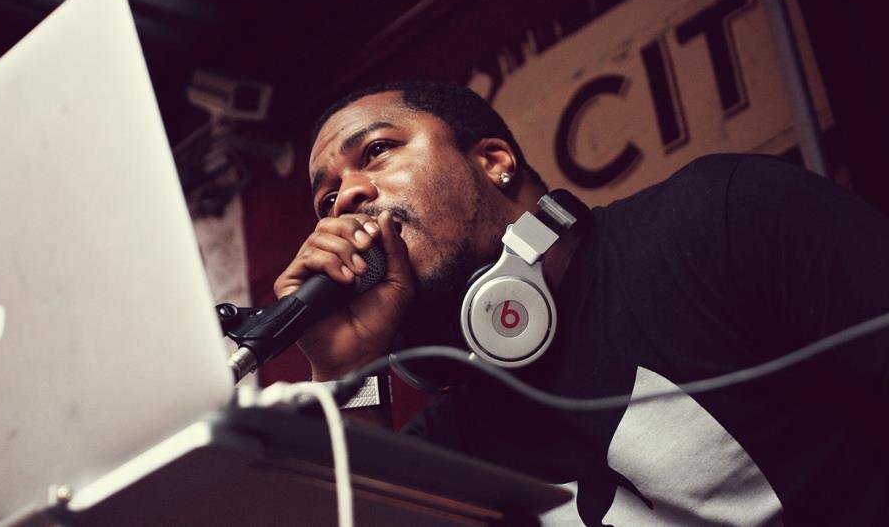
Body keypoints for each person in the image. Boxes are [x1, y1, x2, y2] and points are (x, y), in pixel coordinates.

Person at [273, 81, 889, 525]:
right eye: (325, 200)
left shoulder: (724, 217)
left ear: (493, 161)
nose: (345, 198)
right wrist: (349, 374)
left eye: (377, 151)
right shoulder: (450, 447)